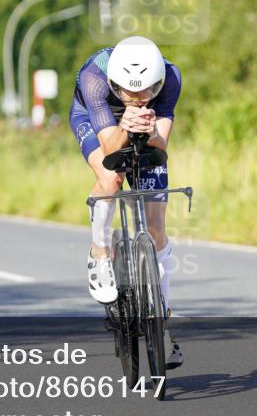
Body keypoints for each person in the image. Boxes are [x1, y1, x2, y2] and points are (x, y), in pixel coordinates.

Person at [68, 35, 184, 369]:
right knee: (111, 178)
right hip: (96, 119)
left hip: (144, 128)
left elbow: (161, 149)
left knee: (155, 224)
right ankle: (100, 252)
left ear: (158, 83)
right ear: (115, 83)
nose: (136, 98)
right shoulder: (93, 77)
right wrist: (124, 122)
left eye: (146, 92)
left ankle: (160, 317)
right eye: (129, 92)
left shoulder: (171, 78)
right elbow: (109, 152)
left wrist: (149, 133)